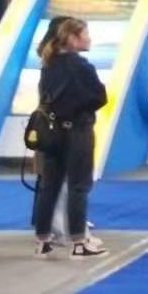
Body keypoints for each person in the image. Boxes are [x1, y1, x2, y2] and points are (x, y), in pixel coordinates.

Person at [31, 17, 109, 258]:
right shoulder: (81, 66)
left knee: (49, 186)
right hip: (78, 132)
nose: (89, 38)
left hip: (52, 134)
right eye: (85, 34)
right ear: (73, 38)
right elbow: (100, 97)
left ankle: (42, 240)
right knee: (78, 186)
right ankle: (79, 242)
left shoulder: (48, 64)